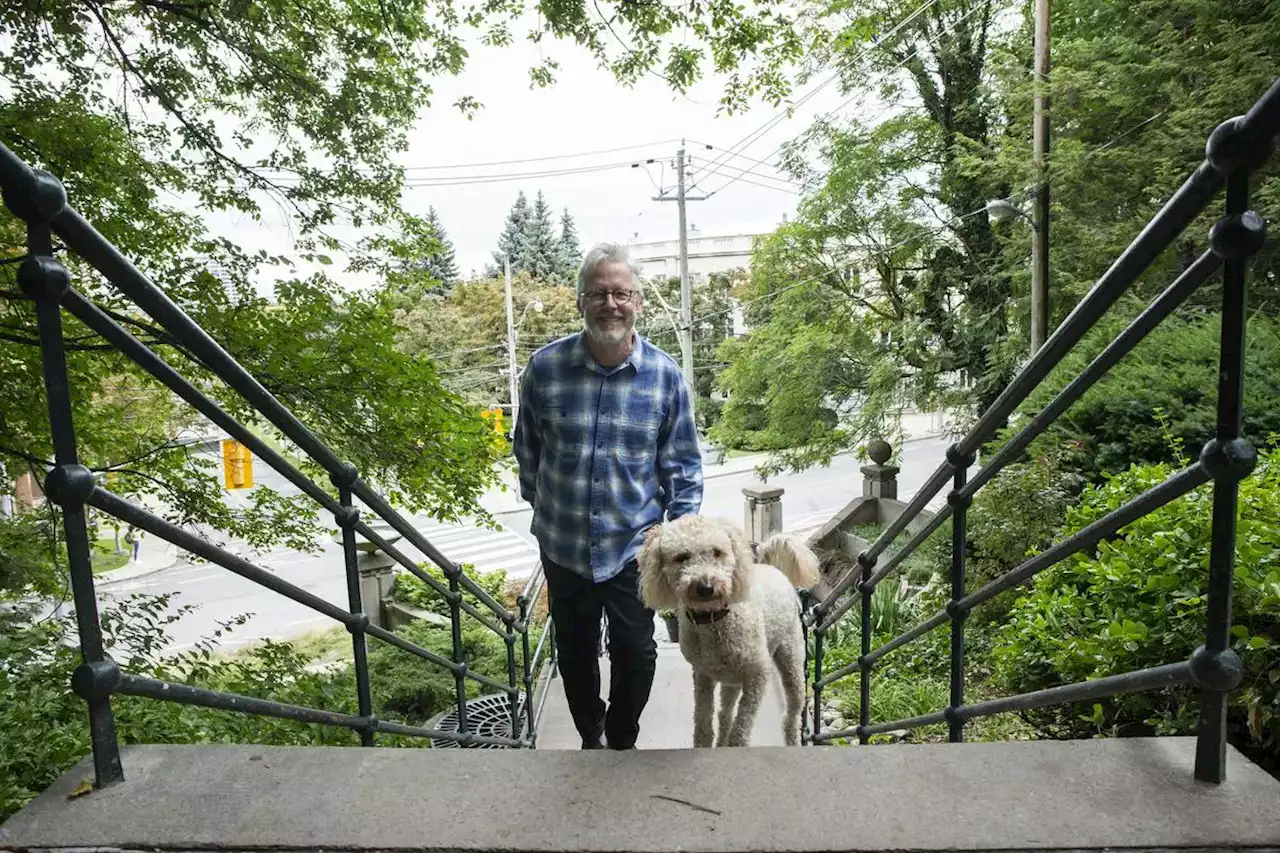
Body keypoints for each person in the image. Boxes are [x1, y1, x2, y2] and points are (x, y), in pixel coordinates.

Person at [513, 242, 703, 750]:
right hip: (564, 545)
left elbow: (683, 466)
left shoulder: (665, 376)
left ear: (638, 302)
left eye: (621, 293)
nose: (610, 304)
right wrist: (550, 509)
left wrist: (676, 538)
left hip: (634, 549)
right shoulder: (544, 368)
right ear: (580, 302)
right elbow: (526, 451)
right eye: (598, 293)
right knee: (572, 651)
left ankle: (622, 738)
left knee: (636, 651)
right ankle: (589, 735)